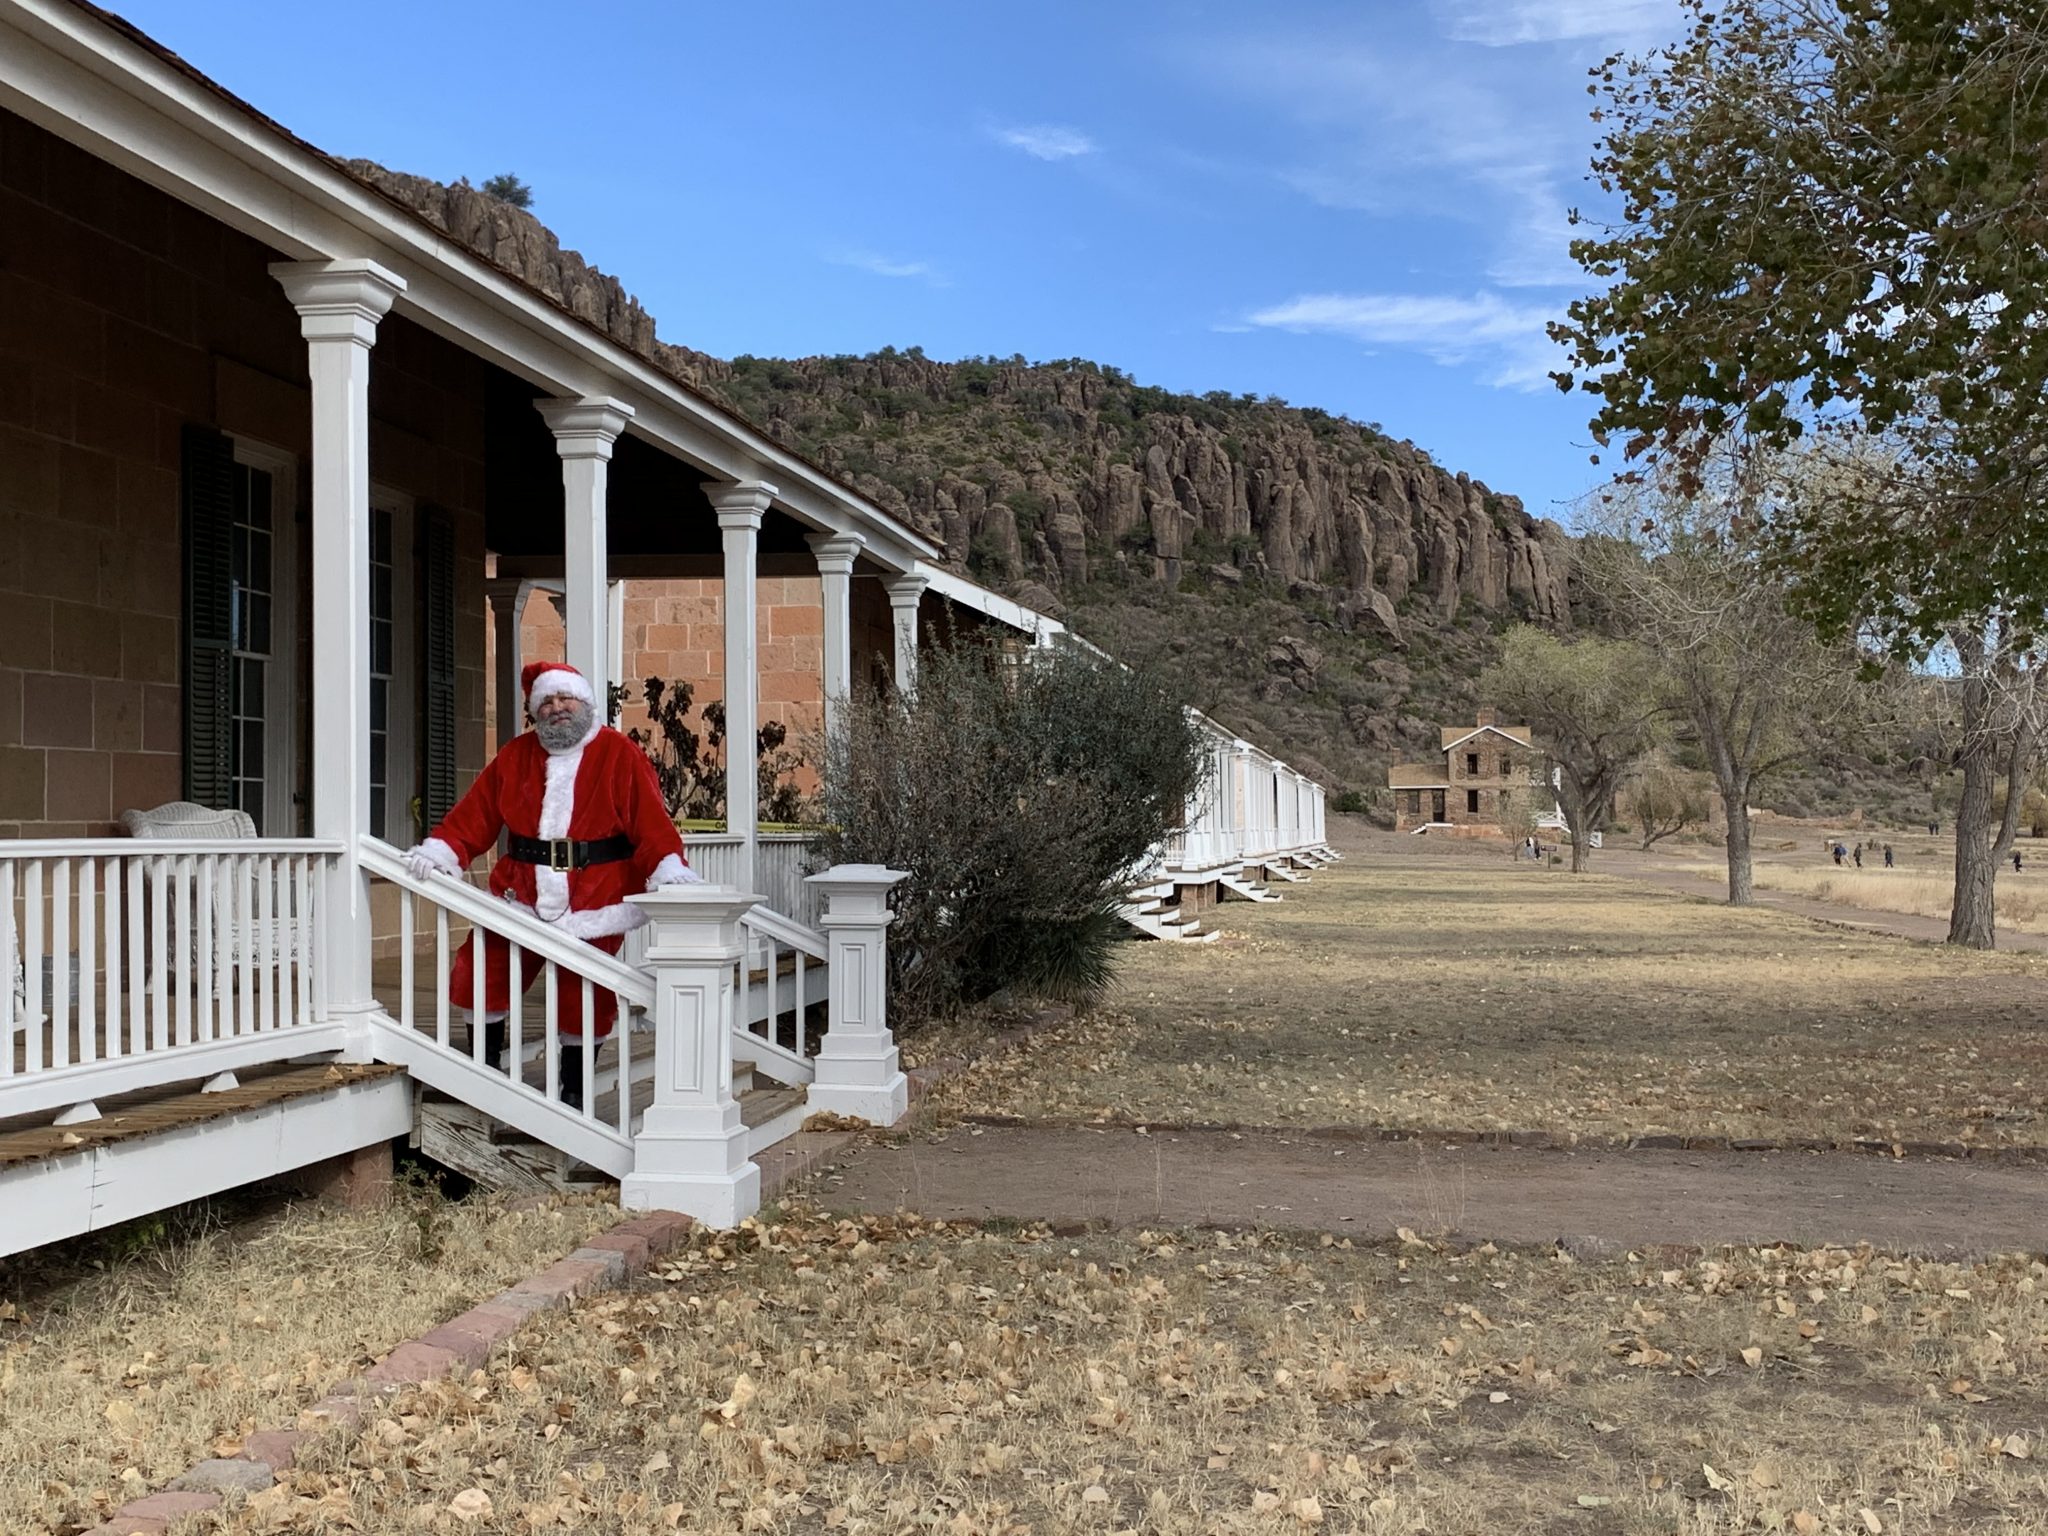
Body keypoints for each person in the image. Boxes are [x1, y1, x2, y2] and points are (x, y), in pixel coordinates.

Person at [403, 661, 697, 1109]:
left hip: (594, 894)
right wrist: (444, 850)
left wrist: (667, 867)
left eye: (566, 698)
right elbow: (475, 815)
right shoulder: (515, 756)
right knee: (481, 969)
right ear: (535, 710)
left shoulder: (619, 754)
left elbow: (650, 824)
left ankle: (574, 1092)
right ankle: (484, 1067)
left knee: (584, 991)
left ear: (584, 702)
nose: (558, 708)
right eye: (548, 702)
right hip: (519, 891)